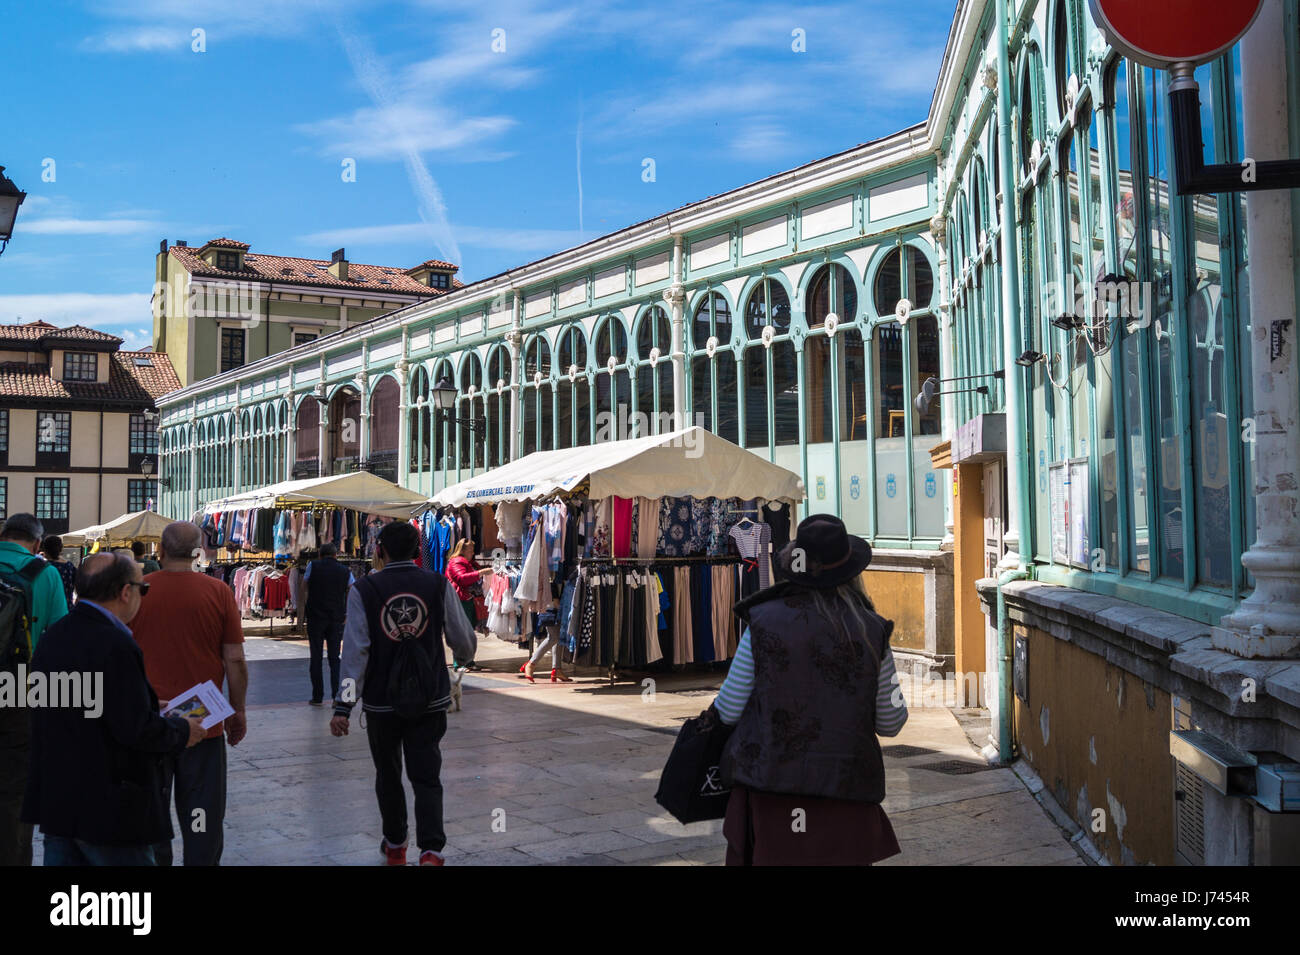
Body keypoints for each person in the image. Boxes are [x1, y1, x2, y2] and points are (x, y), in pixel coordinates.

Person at [712, 514, 908, 866]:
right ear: (851, 571)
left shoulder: (762, 622)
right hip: (845, 793)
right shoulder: (872, 631)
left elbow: (727, 710)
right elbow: (891, 722)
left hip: (772, 791)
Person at [23, 552, 206, 865]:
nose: (141, 596)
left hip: (60, 800)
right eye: (142, 589)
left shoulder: (55, 635)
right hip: (109, 807)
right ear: (125, 592)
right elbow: (134, 730)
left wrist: (142, 703)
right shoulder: (115, 643)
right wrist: (181, 730)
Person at [330, 521, 475, 866]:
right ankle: (431, 851)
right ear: (416, 552)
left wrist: (343, 707)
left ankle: (396, 844)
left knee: (388, 774)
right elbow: (463, 640)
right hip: (430, 698)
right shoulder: (437, 584)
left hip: (382, 703)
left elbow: (355, 653)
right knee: (427, 775)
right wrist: (462, 661)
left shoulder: (363, 590)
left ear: (379, 550)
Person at [130, 521, 248, 866]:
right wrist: (237, 711)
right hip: (202, 719)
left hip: (150, 718)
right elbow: (235, 659)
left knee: (153, 805)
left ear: (160, 551)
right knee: (201, 810)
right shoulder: (218, 592)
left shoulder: (138, 590)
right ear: (198, 552)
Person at [0, 514, 69, 866]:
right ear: (38, 544)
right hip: (19, 692)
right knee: (15, 792)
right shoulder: (46, 574)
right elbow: (59, 642)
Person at [302, 542, 354, 706]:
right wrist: (347, 611)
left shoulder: (313, 566)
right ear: (335, 555)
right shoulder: (345, 571)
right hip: (336, 617)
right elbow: (352, 588)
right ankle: (336, 698)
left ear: (320, 555)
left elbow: (304, 586)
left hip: (316, 617)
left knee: (316, 657)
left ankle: (317, 697)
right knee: (334, 658)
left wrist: (305, 607)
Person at [444, 538, 490, 671]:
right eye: (470, 550)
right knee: (461, 632)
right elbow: (461, 579)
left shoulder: (468, 563)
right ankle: (459, 664)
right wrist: (480, 573)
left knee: (468, 631)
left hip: (467, 599)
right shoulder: (456, 562)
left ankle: (468, 661)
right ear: (463, 550)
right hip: (460, 600)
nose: (473, 552)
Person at [39, 535, 76, 607]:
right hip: (66, 608)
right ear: (61, 549)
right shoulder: (69, 566)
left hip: (46, 609)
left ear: (44, 549)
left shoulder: (41, 567)